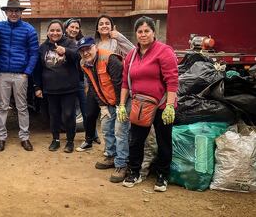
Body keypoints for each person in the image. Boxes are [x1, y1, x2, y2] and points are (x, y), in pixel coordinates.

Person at [118, 16, 178, 192]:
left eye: (147, 31)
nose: (143, 35)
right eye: (140, 31)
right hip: (140, 105)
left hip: (161, 105)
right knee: (136, 140)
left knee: (163, 141)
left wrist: (169, 105)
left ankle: (162, 176)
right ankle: (134, 172)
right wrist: (122, 104)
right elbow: (124, 82)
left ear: (154, 32)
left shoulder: (164, 51)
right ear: (136, 34)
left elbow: (172, 80)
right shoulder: (132, 55)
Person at [77, 14, 134, 170]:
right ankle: (110, 155)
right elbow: (95, 86)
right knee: (107, 128)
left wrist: (119, 105)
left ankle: (122, 163)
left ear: (95, 47)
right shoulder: (85, 63)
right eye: (82, 51)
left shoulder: (110, 58)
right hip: (106, 100)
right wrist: (102, 105)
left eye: (88, 49)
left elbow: (119, 84)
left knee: (120, 131)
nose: (85, 52)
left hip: (122, 100)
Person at [0, 0, 39, 152]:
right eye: (10, 11)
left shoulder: (29, 29)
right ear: (6, 12)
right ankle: (1, 138)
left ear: (21, 13)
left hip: (21, 74)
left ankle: (24, 137)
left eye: (17, 11)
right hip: (2, 74)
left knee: (22, 107)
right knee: (2, 107)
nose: (13, 13)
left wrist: (27, 72)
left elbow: (34, 53)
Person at [33, 20, 79, 153]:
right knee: (54, 115)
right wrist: (37, 87)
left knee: (69, 115)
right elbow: (38, 69)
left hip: (69, 88)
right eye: (52, 30)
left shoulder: (70, 43)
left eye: (58, 30)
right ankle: (56, 140)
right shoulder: (43, 47)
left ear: (62, 31)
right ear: (47, 32)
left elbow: (78, 55)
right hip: (50, 89)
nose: (55, 33)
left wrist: (66, 51)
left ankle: (70, 141)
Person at [64, 18, 100, 145]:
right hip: (67, 82)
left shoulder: (82, 42)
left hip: (81, 80)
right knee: (71, 111)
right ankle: (71, 137)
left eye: (76, 28)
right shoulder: (61, 42)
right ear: (66, 27)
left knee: (87, 110)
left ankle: (92, 135)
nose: (74, 30)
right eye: (71, 27)